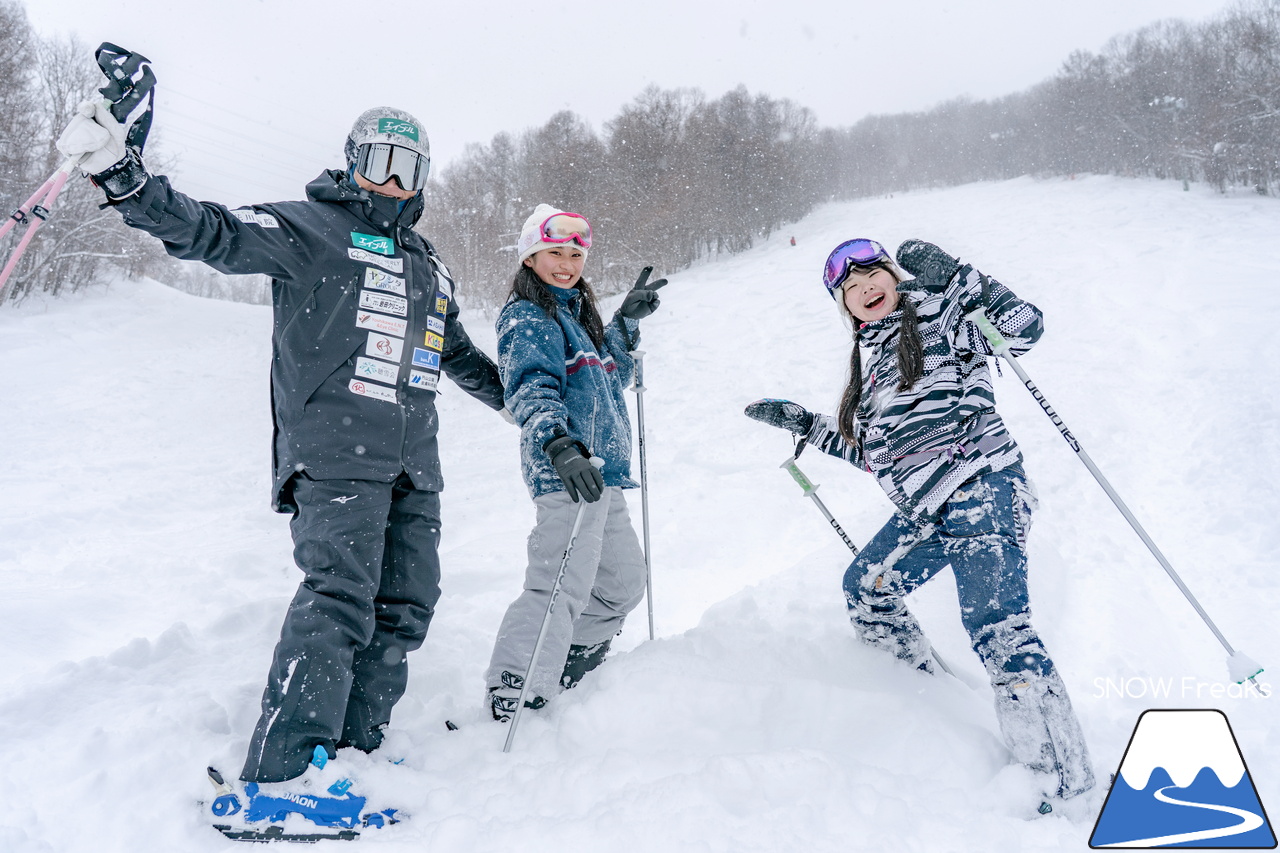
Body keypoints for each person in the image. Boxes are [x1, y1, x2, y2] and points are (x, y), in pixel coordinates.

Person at [57, 84, 507, 827]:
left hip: (412, 466)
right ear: (353, 163)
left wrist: (529, 410)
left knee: (404, 607)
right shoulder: (311, 230)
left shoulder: (429, 264)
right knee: (337, 600)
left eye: (409, 166)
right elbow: (213, 232)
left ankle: (350, 754)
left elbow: (459, 355)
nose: (392, 180)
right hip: (337, 454)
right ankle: (280, 773)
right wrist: (127, 180)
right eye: (380, 161)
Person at [745, 238, 1094, 808]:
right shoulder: (869, 367)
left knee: (998, 627)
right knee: (868, 589)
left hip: (982, 484)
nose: (864, 290)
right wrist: (805, 423)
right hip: (927, 510)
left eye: (871, 277)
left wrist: (961, 278)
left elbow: (1025, 328)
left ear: (892, 275)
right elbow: (872, 453)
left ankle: (1062, 782)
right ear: (846, 308)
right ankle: (928, 704)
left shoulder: (940, 314)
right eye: (850, 290)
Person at [485, 204, 664, 721]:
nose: (566, 264)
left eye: (574, 254)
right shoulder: (528, 316)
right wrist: (559, 445)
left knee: (621, 584)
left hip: (602, 474)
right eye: (554, 253)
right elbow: (530, 389)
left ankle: (563, 666)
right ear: (530, 257)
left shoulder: (575, 318)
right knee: (559, 583)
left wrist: (625, 324)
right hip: (567, 469)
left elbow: (611, 377)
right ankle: (514, 687)